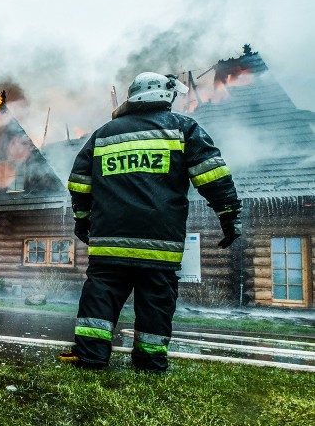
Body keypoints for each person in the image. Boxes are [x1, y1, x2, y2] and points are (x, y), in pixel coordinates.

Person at [59, 72, 241, 372]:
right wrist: (229, 214)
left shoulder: (104, 134)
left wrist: (83, 221)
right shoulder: (183, 128)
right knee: (156, 301)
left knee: (100, 297)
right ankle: (150, 361)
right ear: (166, 95)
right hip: (161, 242)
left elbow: (79, 183)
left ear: (133, 96)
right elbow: (212, 175)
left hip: (110, 241)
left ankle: (90, 356)